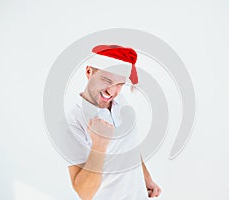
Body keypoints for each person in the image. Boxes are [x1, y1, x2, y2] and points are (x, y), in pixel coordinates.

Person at [66, 45, 161, 199]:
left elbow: (129, 145)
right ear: (89, 72)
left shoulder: (120, 101)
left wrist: (146, 177)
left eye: (120, 84)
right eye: (106, 80)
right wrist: (99, 146)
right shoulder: (74, 120)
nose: (112, 92)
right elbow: (84, 193)